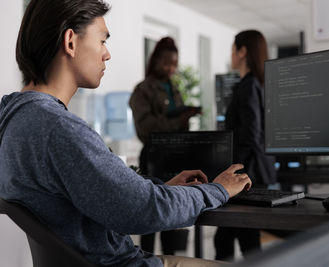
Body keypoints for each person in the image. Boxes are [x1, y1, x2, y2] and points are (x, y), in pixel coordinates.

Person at [0, 1, 252, 266]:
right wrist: (218, 189)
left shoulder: (15, 121)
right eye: (102, 41)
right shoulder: (58, 129)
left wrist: (159, 189)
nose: (106, 54)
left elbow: (102, 199)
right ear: (71, 42)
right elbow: (144, 211)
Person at [129, 37, 201, 255]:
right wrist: (178, 120)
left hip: (176, 158)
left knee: (172, 214)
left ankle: (170, 259)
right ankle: (146, 259)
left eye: (175, 64)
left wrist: (187, 114)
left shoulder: (173, 87)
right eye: (167, 63)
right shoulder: (142, 90)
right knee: (150, 216)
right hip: (152, 158)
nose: (172, 69)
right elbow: (146, 130)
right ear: (156, 61)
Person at [213, 30, 277, 260]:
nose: (231, 55)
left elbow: (251, 134)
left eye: (232, 50)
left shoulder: (249, 86)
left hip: (248, 174)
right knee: (236, 238)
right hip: (254, 171)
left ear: (242, 52)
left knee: (240, 240)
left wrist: (232, 172)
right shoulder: (257, 85)